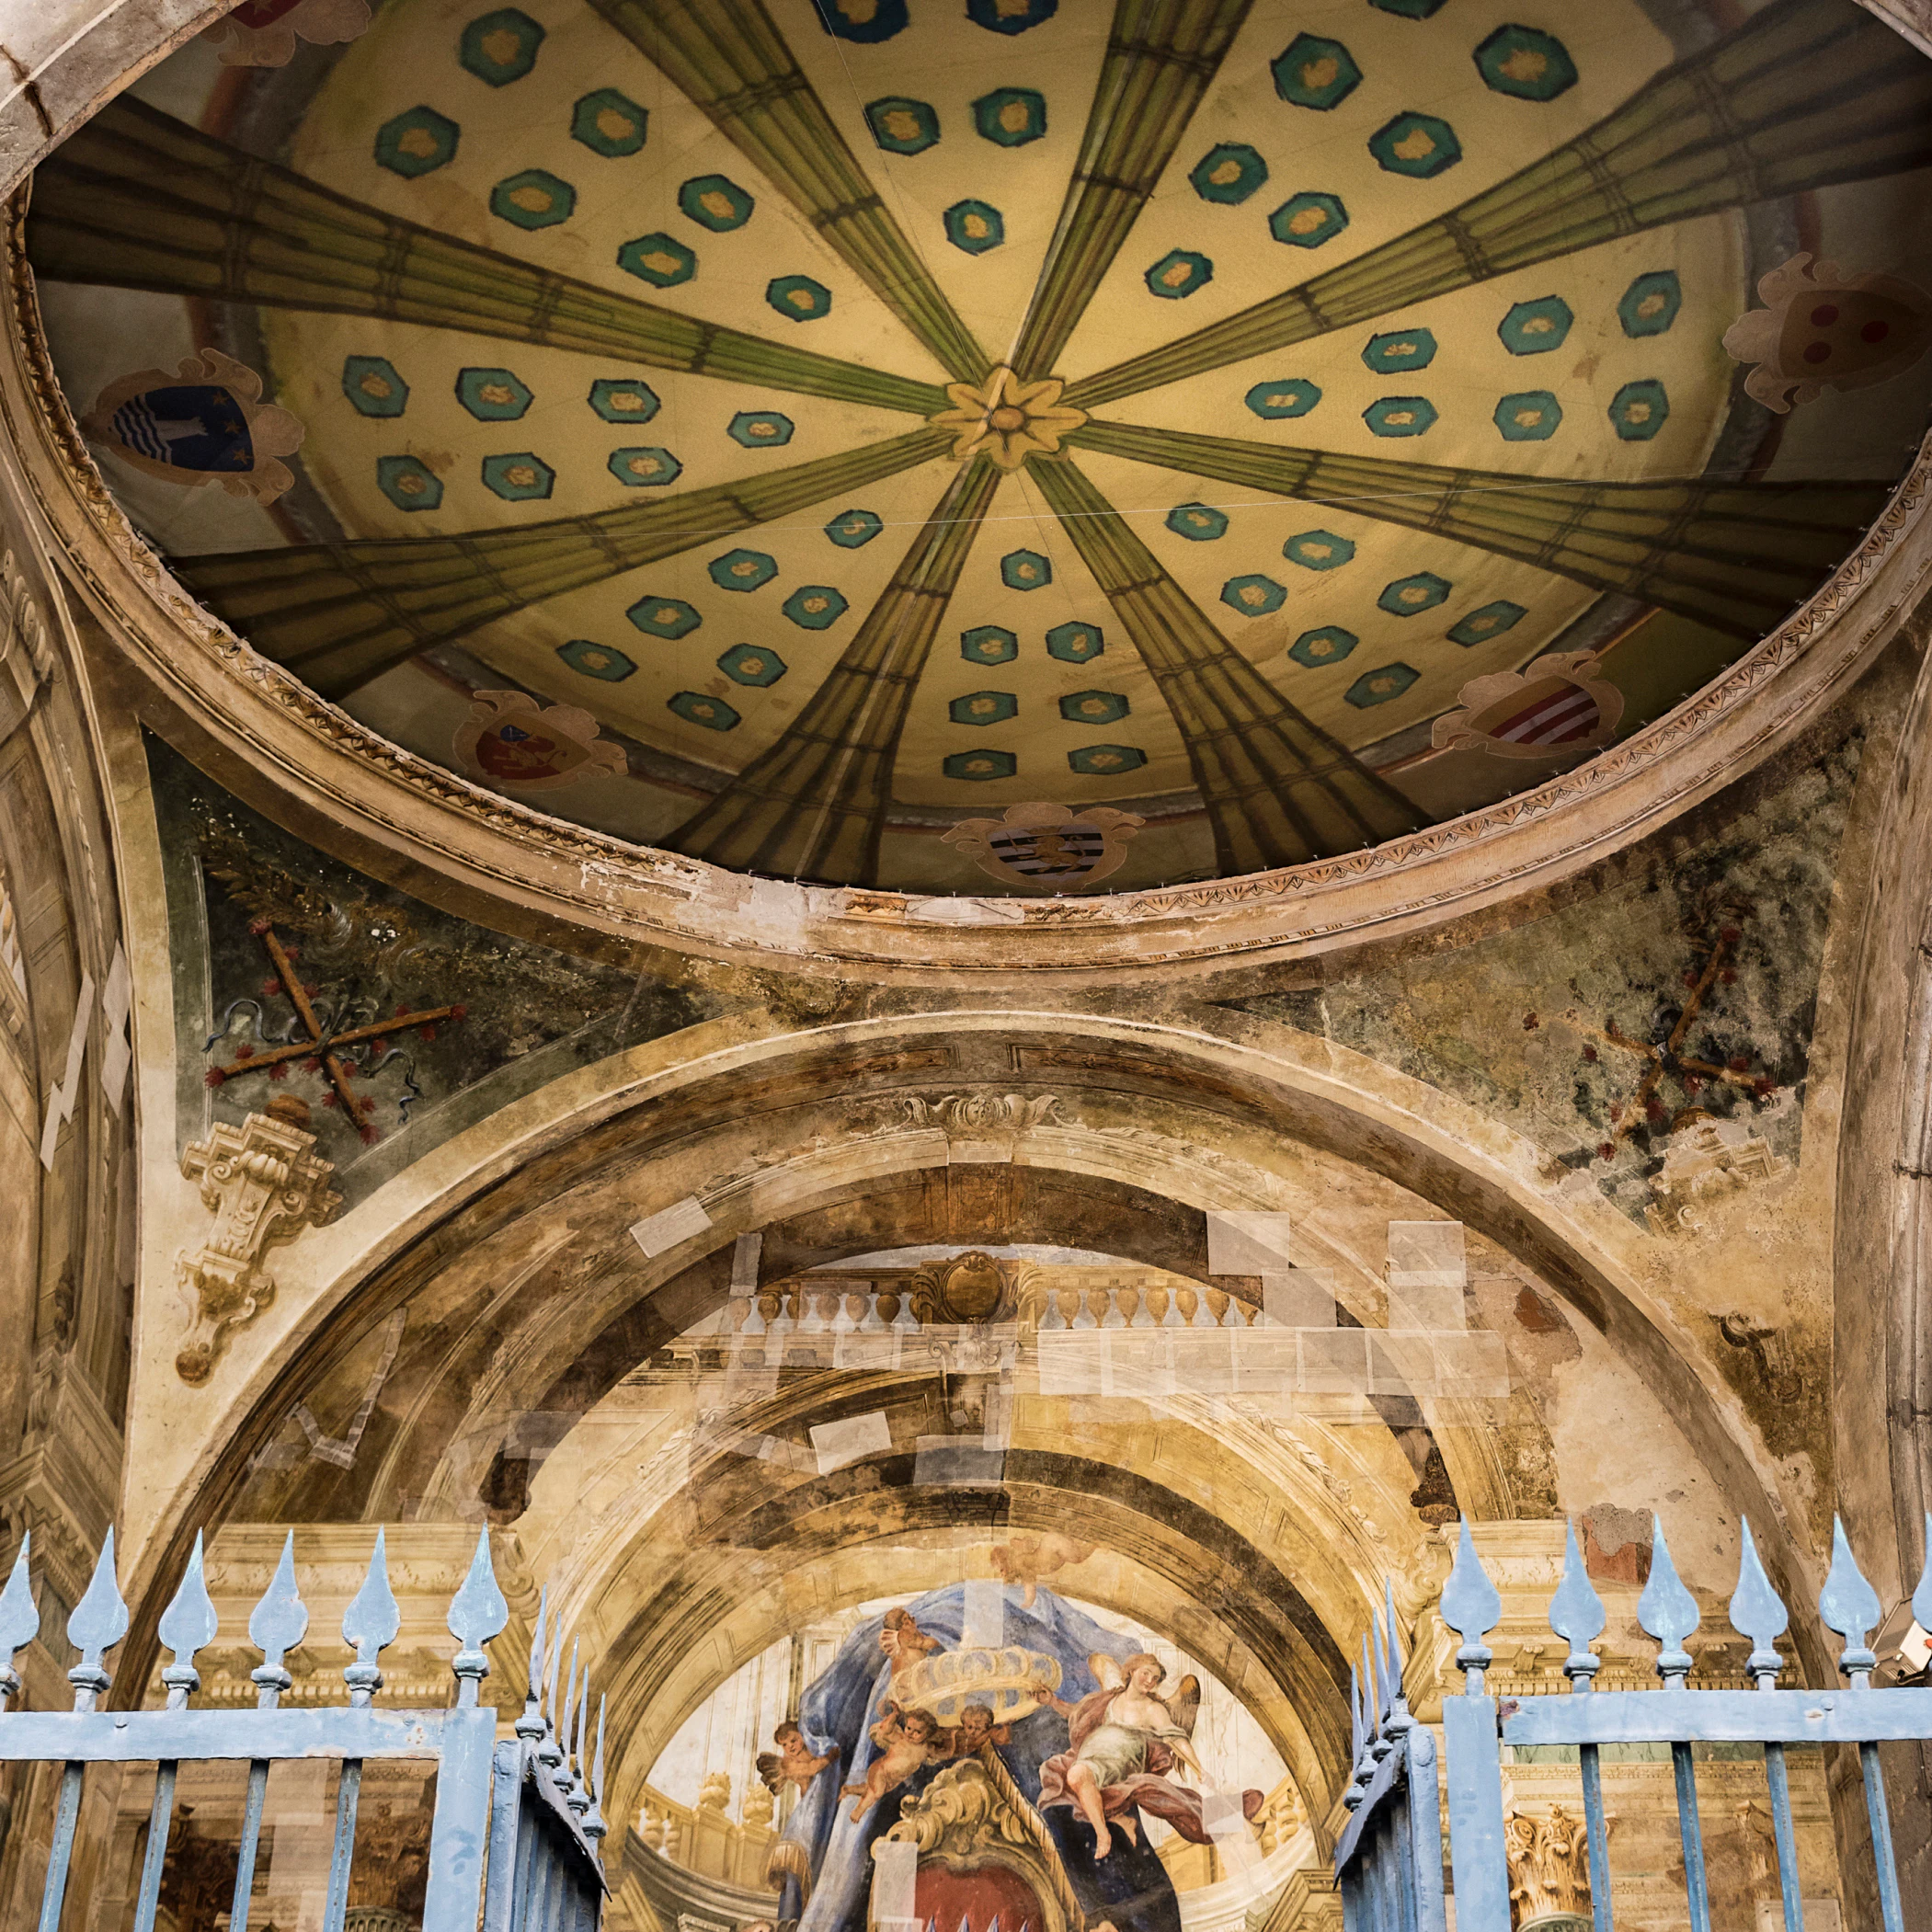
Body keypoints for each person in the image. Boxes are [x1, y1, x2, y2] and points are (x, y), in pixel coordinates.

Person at [1034, 1653, 1258, 1859]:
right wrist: (1052, 1701)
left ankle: (1103, 1836)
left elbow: (1176, 1741)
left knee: (1076, 1776)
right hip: (1090, 1756)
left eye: (1156, 1678)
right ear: (1131, 1671)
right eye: (1146, 1674)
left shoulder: (1154, 1710)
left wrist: (1200, 1770)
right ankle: (1121, 1820)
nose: (1150, 1681)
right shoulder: (1110, 1698)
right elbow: (1076, 1714)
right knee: (1068, 1779)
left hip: (1120, 1760)